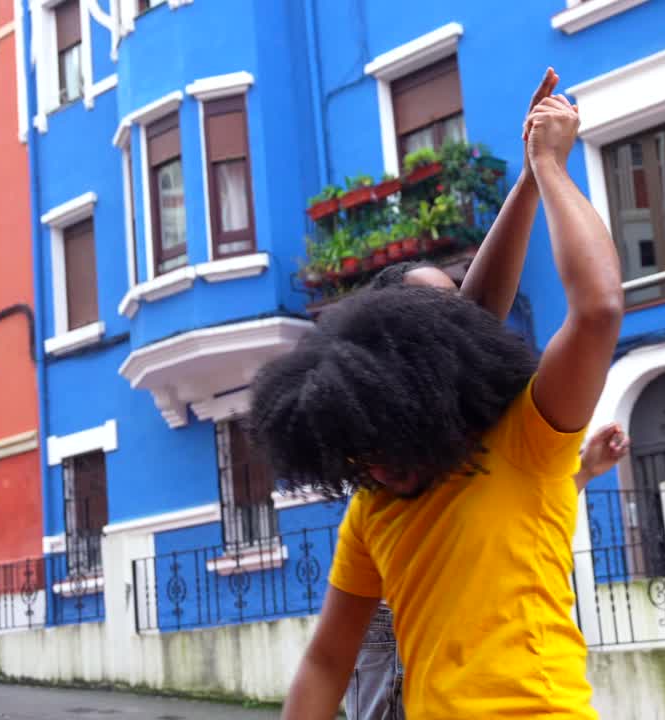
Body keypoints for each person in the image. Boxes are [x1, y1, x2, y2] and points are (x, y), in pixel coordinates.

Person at [251, 67, 622, 718]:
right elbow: (325, 661)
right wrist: (531, 179)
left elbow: (595, 310)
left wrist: (548, 170)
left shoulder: (521, 436)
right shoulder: (371, 512)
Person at [343, 423, 630, 720]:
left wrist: (585, 469)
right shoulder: (387, 491)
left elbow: (512, 514)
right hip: (400, 623)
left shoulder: (478, 449)